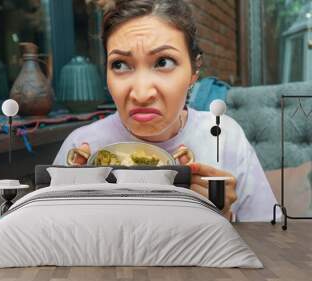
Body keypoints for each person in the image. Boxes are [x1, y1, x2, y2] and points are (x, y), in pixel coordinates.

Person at [53, 0, 279, 222]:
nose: (141, 94)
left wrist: (225, 217)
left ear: (193, 72)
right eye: (120, 64)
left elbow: (270, 239)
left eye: (163, 62)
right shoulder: (81, 147)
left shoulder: (224, 137)